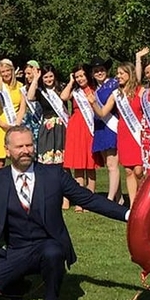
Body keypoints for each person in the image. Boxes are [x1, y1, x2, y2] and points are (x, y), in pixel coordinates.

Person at [0, 125, 129, 300]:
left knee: (52, 252)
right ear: (7, 150)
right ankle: (19, 285)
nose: (26, 150)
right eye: (19, 146)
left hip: (47, 244)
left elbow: (89, 200)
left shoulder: (54, 175)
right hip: (13, 249)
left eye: (29, 145)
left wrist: (127, 214)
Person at [90, 62, 144, 207]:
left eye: (121, 73)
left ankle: (143, 198)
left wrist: (138, 59)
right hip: (124, 133)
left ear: (129, 74)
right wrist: (94, 103)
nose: (118, 76)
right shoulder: (116, 94)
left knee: (139, 170)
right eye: (117, 73)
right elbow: (102, 113)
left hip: (138, 133)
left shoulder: (141, 90)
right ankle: (133, 205)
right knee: (128, 171)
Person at [60, 64, 98, 212]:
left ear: (87, 75)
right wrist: (71, 82)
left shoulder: (94, 89)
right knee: (78, 165)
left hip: (90, 127)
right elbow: (63, 97)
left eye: (82, 75)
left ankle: (90, 199)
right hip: (76, 126)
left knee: (90, 164)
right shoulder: (75, 91)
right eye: (77, 77)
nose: (80, 79)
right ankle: (80, 200)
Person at [85, 56, 122, 204]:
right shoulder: (96, 89)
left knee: (113, 165)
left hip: (111, 126)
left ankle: (109, 199)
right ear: (92, 74)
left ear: (106, 70)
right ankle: (119, 198)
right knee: (109, 165)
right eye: (96, 71)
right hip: (100, 128)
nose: (99, 73)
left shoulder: (114, 84)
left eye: (101, 69)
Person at [0, 59, 26, 168]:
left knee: (18, 158)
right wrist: (3, 124)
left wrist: (16, 125)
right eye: (2, 72)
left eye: (8, 70)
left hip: (15, 125)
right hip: (0, 126)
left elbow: (22, 108)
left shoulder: (20, 86)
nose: (6, 74)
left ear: (12, 70)